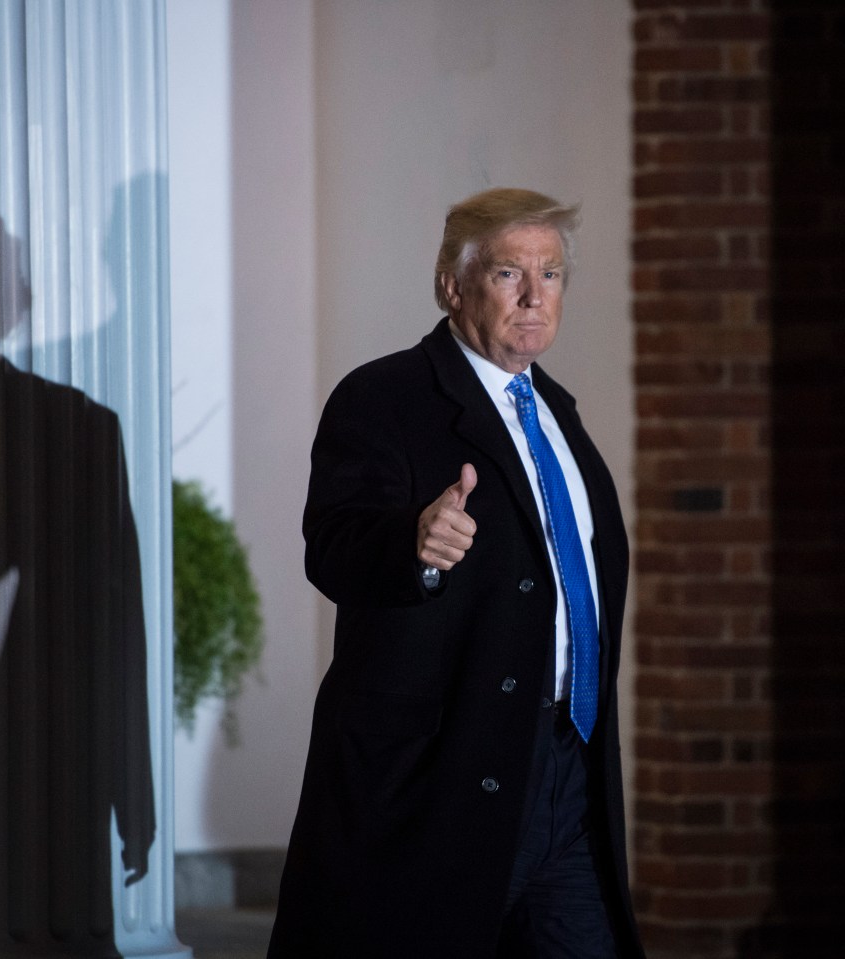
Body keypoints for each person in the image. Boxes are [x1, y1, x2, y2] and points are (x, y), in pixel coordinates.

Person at [268, 188, 643, 958]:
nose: (537, 295)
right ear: (453, 284)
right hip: (440, 783)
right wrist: (412, 544)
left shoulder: (558, 415)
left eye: (552, 273)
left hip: (566, 776)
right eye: (510, 273)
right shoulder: (386, 397)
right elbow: (331, 543)